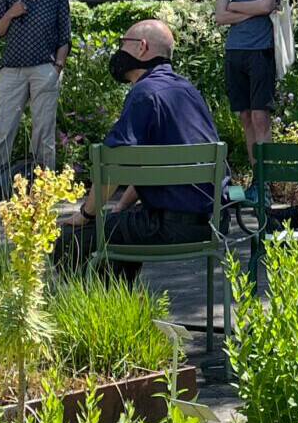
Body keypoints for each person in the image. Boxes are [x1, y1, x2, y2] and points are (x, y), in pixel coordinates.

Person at [58, 20, 223, 280]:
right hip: (212, 224)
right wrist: (122, 206)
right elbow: (155, 165)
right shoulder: (188, 91)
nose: (119, 51)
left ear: (142, 47)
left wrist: (86, 214)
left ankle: (94, 310)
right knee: (122, 227)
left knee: (70, 240)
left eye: (123, 44)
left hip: (166, 226)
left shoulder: (144, 93)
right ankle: (116, 306)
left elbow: (114, 166)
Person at [0, 0, 73, 196]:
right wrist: (11, 13)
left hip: (45, 68)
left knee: (43, 130)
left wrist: (57, 67)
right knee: (3, 127)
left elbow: (64, 37)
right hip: (12, 70)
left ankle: (45, 186)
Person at [213, 0, 288, 167]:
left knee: (260, 117)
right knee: (245, 116)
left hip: (261, 49)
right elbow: (220, 16)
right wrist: (253, 8)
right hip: (235, 50)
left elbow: (267, 4)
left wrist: (235, 6)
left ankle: (265, 179)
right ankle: (257, 175)